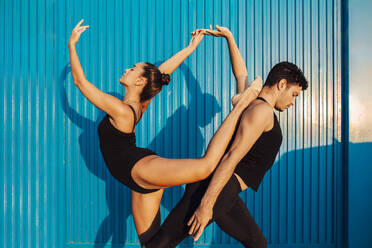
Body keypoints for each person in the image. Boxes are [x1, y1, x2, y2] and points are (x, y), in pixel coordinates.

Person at [68, 20, 262, 245]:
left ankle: (240, 105)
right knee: (151, 244)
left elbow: (80, 82)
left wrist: (72, 45)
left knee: (207, 165)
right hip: (134, 178)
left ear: (139, 80)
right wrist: (189, 49)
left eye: (131, 69)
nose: (126, 70)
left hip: (140, 168)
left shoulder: (121, 110)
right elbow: (162, 73)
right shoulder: (139, 104)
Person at [144, 25, 308, 248]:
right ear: (281, 85)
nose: (293, 102)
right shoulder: (261, 111)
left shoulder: (249, 101)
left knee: (257, 242)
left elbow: (240, 74)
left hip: (223, 189)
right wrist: (206, 204)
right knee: (162, 243)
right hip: (216, 188)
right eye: (294, 94)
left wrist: (229, 38)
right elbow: (231, 156)